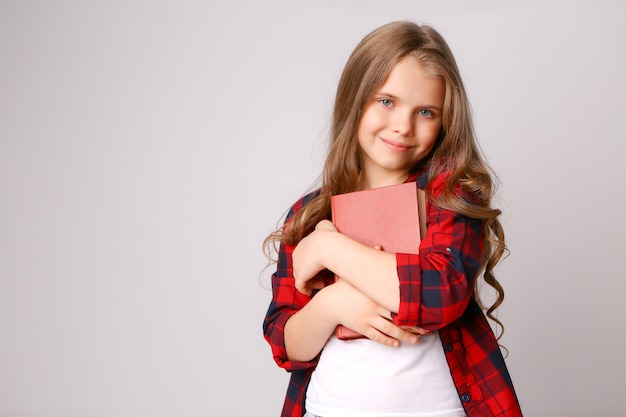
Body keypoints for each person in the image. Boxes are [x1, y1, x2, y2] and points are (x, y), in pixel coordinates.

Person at [262, 20, 523, 417]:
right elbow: (286, 344)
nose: (403, 126)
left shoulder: (448, 197)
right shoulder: (309, 214)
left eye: (425, 111)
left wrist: (330, 247)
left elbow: (442, 292)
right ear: (355, 100)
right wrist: (333, 303)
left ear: (445, 121)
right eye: (387, 101)